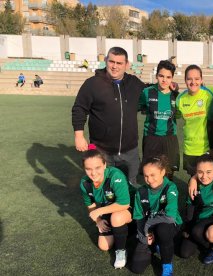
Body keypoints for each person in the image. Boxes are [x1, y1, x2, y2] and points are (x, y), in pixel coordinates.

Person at [72, 47, 146, 185]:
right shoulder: (92, 84)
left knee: (132, 184)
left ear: (127, 64)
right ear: (106, 60)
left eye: (119, 63)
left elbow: (150, 92)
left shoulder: (134, 83)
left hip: (130, 149)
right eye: (112, 61)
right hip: (102, 149)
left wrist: (170, 86)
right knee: (104, 186)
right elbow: (79, 109)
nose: (115, 66)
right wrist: (79, 136)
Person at [79, 146, 132, 269]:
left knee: (117, 217)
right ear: (84, 169)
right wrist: (98, 220)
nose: (93, 173)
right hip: (109, 207)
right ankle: (123, 231)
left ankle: (121, 251)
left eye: (97, 167)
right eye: (88, 169)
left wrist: (99, 211)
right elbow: (90, 204)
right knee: (104, 246)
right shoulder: (84, 183)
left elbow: (124, 203)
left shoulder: (115, 176)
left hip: (132, 205)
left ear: (104, 165)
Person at [131, 155, 182, 276]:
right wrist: (144, 236)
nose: (149, 179)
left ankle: (167, 264)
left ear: (162, 172)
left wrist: (147, 225)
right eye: (146, 176)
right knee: (137, 268)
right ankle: (156, 244)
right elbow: (138, 217)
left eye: (153, 175)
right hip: (149, 229)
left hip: (169, 225)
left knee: (162, 230)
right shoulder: (141, 192)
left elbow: (170, 217)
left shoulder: (170, 187)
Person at [180, 153, 213, 264]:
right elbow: (189, 210)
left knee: (197, 231)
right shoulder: (193, 186)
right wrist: (186, 229)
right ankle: (208, 241)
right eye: (200, 172)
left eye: (208, 172)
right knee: (184, 252)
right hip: (200, 220)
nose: (204, 176)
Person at [139, 60, 179, 179]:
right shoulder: (147, 92)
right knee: (151, 173)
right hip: (151, 137)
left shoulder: (176, 95)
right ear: (156, 76)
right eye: (161, 76)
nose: (164, 80)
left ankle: (167, 195)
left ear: (172, 78)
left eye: (168, 77)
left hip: (170, 138)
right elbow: (141, 107)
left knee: (168, 173)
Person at [176, 65, 213, 177]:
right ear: (185, 80)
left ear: (201, 80)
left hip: (206, 148)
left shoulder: (209, 94)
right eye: (189, 79)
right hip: (189, 149)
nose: (193, 82)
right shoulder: (180, 99)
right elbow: (176, 115)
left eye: (197, 79)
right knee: (193, 180)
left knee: (206, 180)